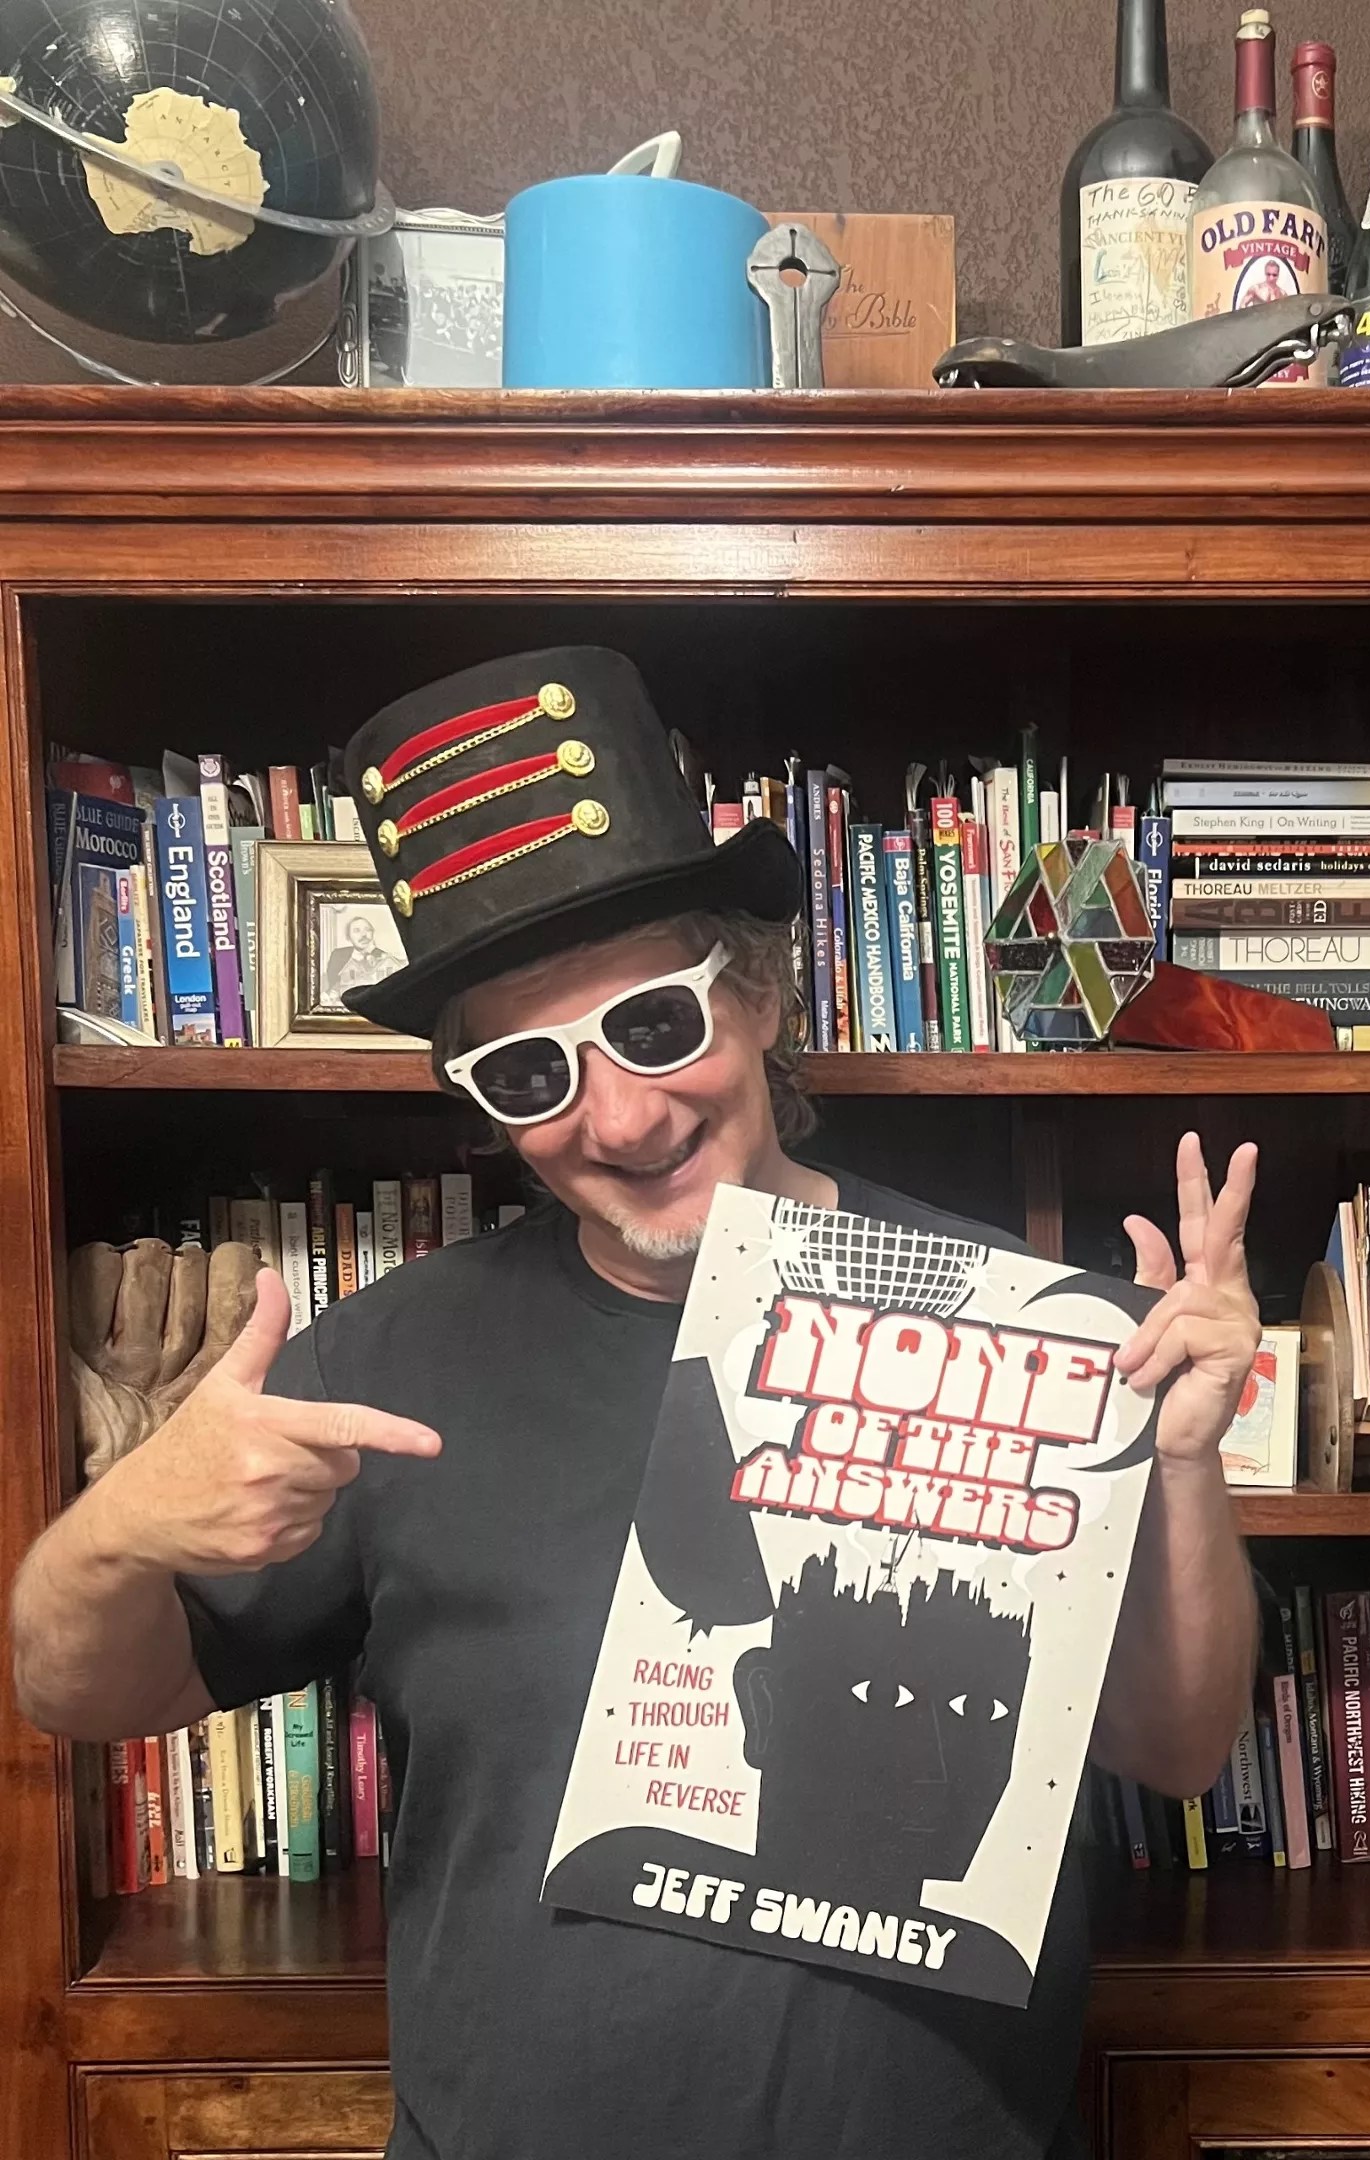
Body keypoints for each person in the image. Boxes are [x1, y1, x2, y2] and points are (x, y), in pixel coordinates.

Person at [12, 648, 1261, 2160]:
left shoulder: (1015, 1326)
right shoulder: (376, 1369)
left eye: (657, 1026)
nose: (617, 1116)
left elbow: (1176, 1747)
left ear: (760, 993)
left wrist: (1181, 1465)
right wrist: (115, 1530)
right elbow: (73, 1691)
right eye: (530, 1074)